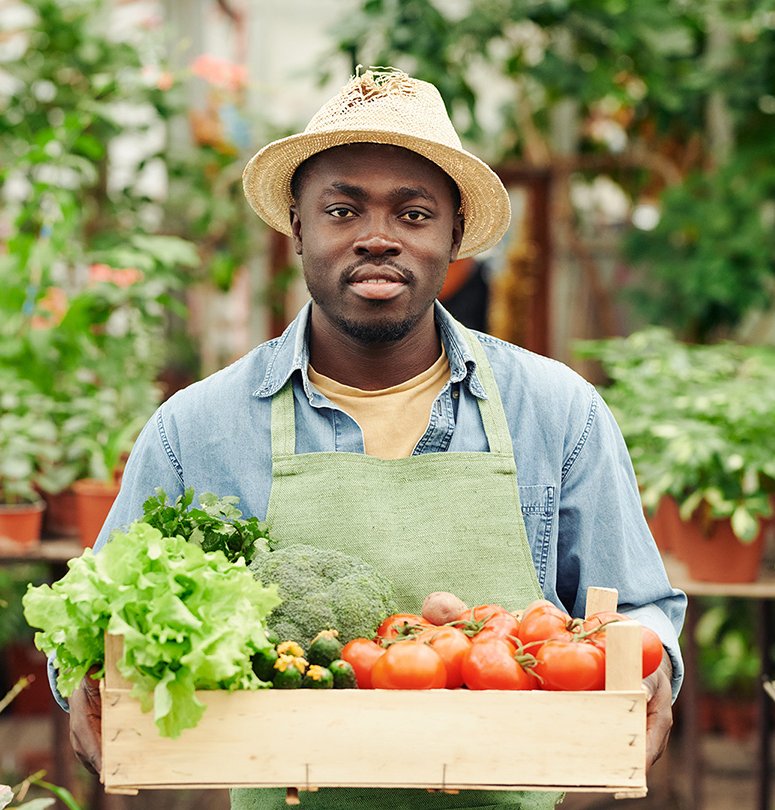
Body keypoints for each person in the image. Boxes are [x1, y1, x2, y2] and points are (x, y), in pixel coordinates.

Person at [62, 67, 686, 810]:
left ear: (455, 234)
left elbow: (643, 609)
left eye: (415, 214)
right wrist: (84, 680)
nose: (378, 239)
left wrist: (651, 672)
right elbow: (97, 622)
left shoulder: (557, 411)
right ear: (298, 225)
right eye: (342, 209)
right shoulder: (196, 429)